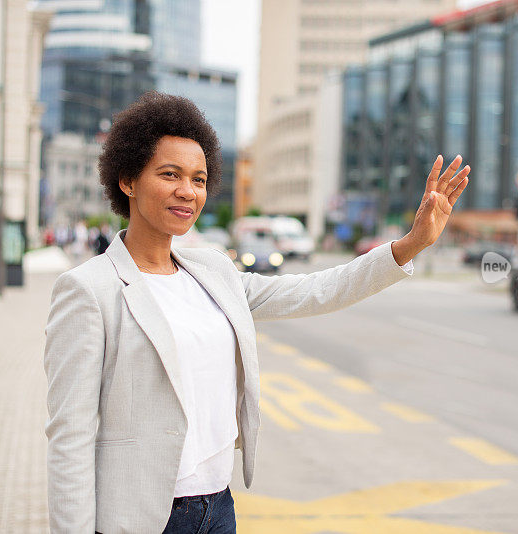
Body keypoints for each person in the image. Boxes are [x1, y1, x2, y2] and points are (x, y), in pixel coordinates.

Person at [42, 92, 470, 534]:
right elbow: (69, 437)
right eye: (170, 174)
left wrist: (411, 244)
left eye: (199, 179)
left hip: (217, 507)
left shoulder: (213, 272)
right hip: (143, 516)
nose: (187, 191)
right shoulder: (88, 290)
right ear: (127, 181)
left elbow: (315, 291)